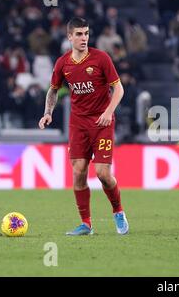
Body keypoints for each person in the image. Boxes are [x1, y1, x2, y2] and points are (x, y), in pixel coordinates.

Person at [38, 17, 129, 236]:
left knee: (102, 173)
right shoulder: (63, 63)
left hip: (101, 121)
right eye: (79, 34)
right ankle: (86, 224)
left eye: (86, 33)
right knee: (78, 172)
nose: (84, 38)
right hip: (78, 123)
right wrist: (47, 113)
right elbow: (52, 90)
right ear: (69, 36)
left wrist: (108, 112)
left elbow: (119, 90)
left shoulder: (101, 58)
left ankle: (118, 211)